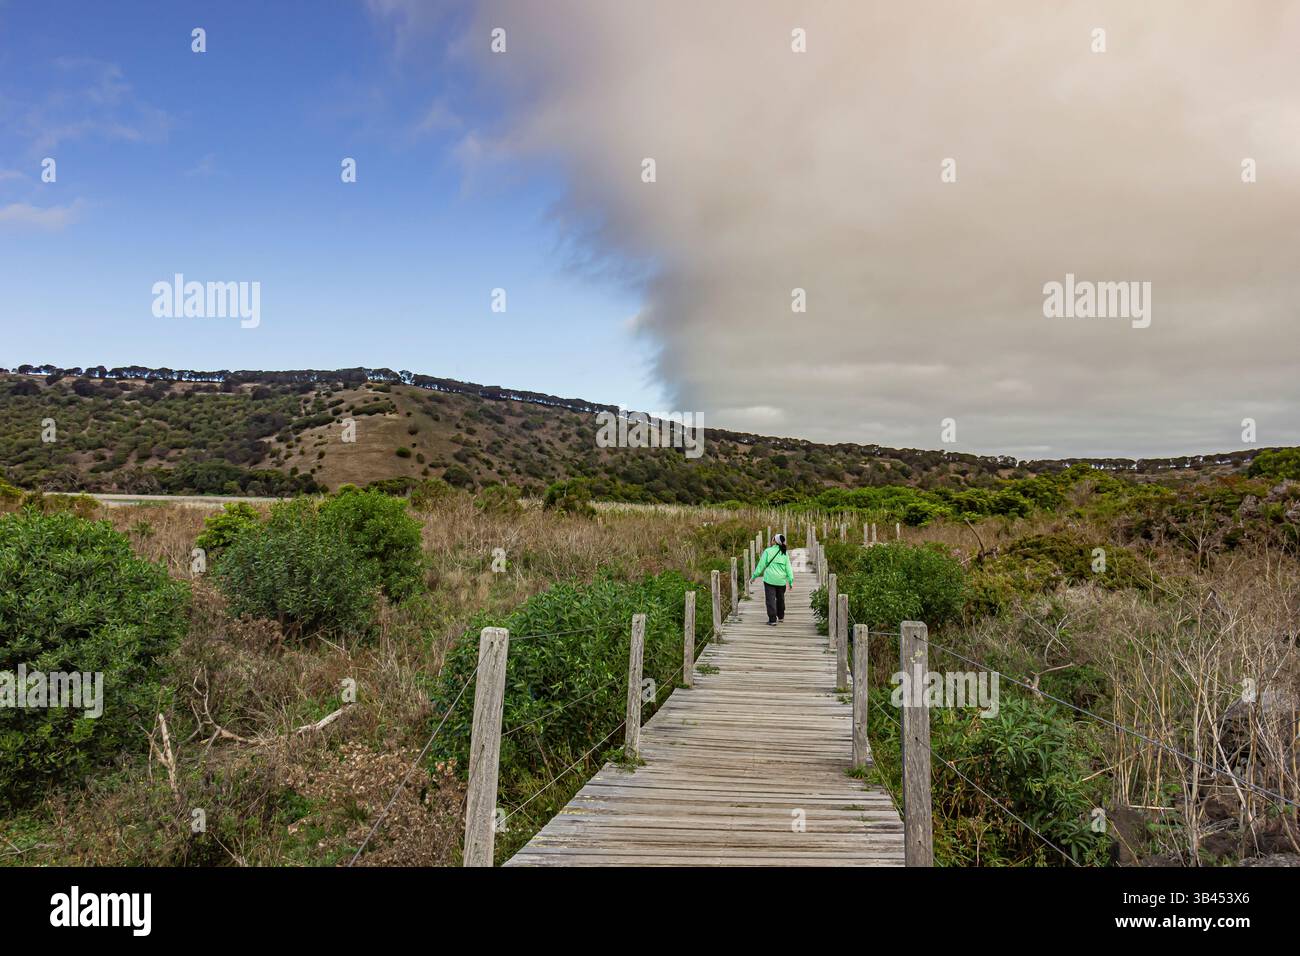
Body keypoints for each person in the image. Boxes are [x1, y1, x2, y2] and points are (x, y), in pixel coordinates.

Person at [752, 533, 794, 625]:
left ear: (774, 541)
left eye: (773, 539)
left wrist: (754, 577)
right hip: (781, 581)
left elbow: (761, 566)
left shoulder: (767, 551)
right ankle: (781, 616)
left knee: (770, 600)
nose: (771, 540)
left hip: (769, 580)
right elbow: (789, 568)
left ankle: (772, 620)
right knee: (780, 599)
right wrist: (791, 581)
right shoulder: (784, 553)